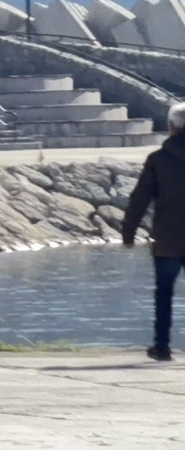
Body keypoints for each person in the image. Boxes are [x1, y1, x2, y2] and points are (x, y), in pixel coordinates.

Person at [123, 102, 185, 362]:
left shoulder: (158, 160)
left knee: (164, 294)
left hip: (168, 240)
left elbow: (140, 199)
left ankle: (162, 347)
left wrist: (128, 232)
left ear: (171, 127)